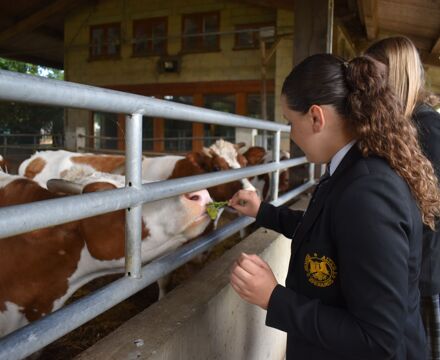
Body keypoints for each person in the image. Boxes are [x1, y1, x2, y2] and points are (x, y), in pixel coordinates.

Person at [228, 53, 440, 360]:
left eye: (290, 121)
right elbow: (330, 233)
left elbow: (379, 339)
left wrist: (274, 298)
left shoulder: (369, 192)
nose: (290, 134)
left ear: (316, 117)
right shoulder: (352, 169)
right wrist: (264, 212)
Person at [366, 36, 440, 360]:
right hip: (410, 271)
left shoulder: (429, 129)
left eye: (376, 78)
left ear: (397, 77)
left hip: (427, 275)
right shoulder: (404, 127)